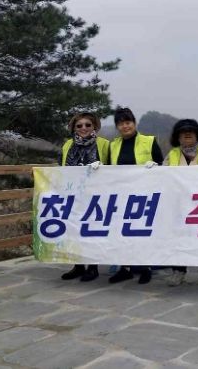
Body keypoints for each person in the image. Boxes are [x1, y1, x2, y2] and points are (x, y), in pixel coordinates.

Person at [108, 107, 164, 285]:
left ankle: (146, 267)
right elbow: (109, 169)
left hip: (144, 194)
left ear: (134, 123)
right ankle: (125, 268)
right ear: (117, 127)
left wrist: (155, 166)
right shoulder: (113, 145)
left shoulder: (149, 141)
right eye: (121, 124)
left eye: (128, 122)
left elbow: (162, 165)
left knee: (141, 231)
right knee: (122, 231)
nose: (125, 126)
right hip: (121, 195)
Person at [163, 119, 198, 287]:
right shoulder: (172, 155)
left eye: (191, 131)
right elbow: (163, 178)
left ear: (197, 135)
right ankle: (178, 271)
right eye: (183, 132)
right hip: (178, 205)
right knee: (178, 239)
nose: (187, 134)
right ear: (177, 137)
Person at [59, 112, 110, 282]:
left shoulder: (104, 144)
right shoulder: (67, 145)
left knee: (92, 230)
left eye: (88, 124)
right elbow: (60, 167)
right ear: (74, 128)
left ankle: (93, 267)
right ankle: (78, 266)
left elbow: (113, 167)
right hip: (73, 194)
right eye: (79, 125)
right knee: (74, 230)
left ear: (94, 126)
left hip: (96, 195)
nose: (84, 128)